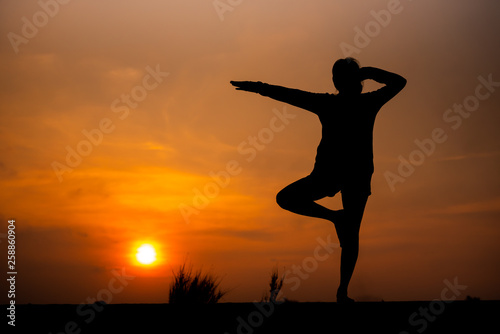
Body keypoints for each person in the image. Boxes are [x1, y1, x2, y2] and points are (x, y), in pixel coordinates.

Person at [230, 58, 406, 303]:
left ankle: (342, 289)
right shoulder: (355, 102)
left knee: (350, 232)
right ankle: (336, 221)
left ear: (337, 81)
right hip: (335, 174)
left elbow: (400, 82)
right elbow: (289, 95)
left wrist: (258, 86)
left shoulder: (358, 103)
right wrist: (258, 87)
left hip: (348, 175)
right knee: (296, 203)